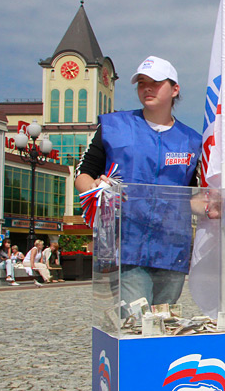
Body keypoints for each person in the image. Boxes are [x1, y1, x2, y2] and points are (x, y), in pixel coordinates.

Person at [76, 55, 205, 311]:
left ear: (174, 89)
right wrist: (95, 191)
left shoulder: (192, 141)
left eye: (155, 83)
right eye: (142, 83)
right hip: (126, 245)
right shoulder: (113, 127)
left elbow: (192, 196)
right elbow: (84, 172)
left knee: (165, 320)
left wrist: (211, 206)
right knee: (137, 318)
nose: (147, 88)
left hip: (171, 249)